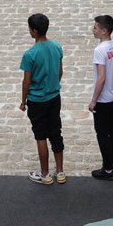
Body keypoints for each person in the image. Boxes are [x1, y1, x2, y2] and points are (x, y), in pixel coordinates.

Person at [20, 13, 65, 186]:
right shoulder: (56, 46)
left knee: (41, 136)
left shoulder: (30, 54)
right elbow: (60, 72)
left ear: (34, 31)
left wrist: (23, 101)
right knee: (56, 133)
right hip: (54, 96)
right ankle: (60, 172)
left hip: (37, 100)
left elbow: (26, 81)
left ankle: (45, 174)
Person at [88, 15, 113, 181]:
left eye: (95, 27)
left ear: (104, 31)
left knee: (102, 133)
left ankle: (107, 168)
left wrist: (94, 99)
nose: (92, 29)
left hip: (104, 99)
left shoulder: (99, 50)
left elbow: (101, 78)